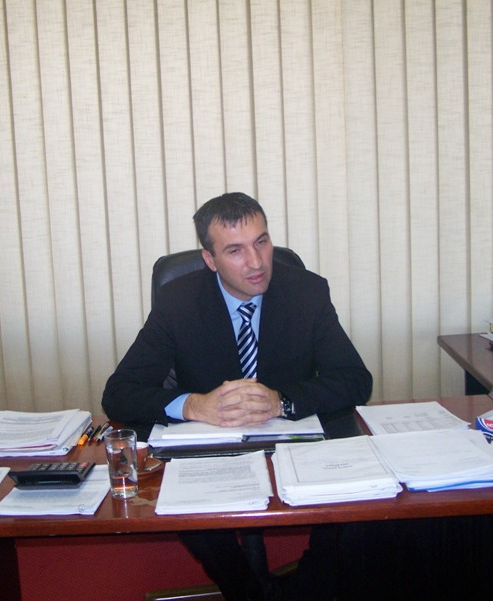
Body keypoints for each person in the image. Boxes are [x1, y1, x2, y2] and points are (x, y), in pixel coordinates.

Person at [102, 192, 372, 600]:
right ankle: (249, 593)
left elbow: (355, 380)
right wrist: (193, 405)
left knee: (356, 501)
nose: (257, 262)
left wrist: (282, 400)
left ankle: (308, 583)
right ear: (209, 259)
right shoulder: (178, 301)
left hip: (290, 445)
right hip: (211, 449)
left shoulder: (307, 291)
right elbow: (119, 393)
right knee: (189, 504)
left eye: (261, 242)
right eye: (235, 250)